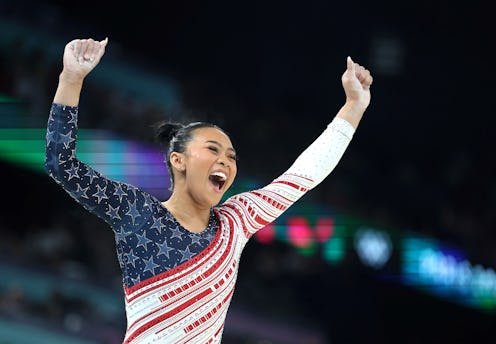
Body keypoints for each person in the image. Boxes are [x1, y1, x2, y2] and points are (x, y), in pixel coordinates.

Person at [45, 37, 373, 343]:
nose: (225, 162)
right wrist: (71, 79)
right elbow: (61, 164)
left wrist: (353, 108)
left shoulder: (235, 221)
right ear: (178, 160)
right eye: (213, 150)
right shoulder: (138, 212)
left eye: (231, 157)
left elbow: (304, 174)